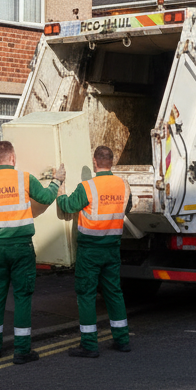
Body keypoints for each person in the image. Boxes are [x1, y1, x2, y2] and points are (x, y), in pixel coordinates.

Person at [0, 140, 64, 364]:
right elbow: (46, 198)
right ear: (12, 158)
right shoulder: (24, 178)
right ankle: (22, 350)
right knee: (22, 297)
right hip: (21, 247)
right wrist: (57, 181)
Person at [56, 145, 132, 358]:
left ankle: (89, 344)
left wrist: (60, 190)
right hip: (112, 248)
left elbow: (69, 206)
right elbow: (127, 207)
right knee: (114, 293)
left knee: (86, 294)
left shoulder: (87, 187)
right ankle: (122, 340)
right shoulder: (123, 185)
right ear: (112, 162)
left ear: (95, 162)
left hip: (90, 250)